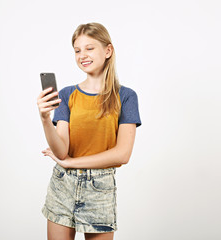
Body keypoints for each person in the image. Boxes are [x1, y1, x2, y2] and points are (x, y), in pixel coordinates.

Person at [37, 22, 141, 240]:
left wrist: (72, 163)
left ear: (108, 51)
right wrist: (45, 119)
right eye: (77, 50)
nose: (82, 55)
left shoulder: (126, 97)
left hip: (99, 189)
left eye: (89, 48)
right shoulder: (66, 95)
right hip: (62, 185)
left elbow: (122, 154)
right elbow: (62, 151)